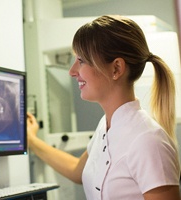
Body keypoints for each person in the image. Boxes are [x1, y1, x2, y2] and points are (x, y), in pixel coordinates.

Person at [27, 15, 180, 200]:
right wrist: (32, 140)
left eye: (81, 60)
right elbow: (77, 171)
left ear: (116, 68)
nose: (72, 71)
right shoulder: (106, 127)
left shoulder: (148, 140)